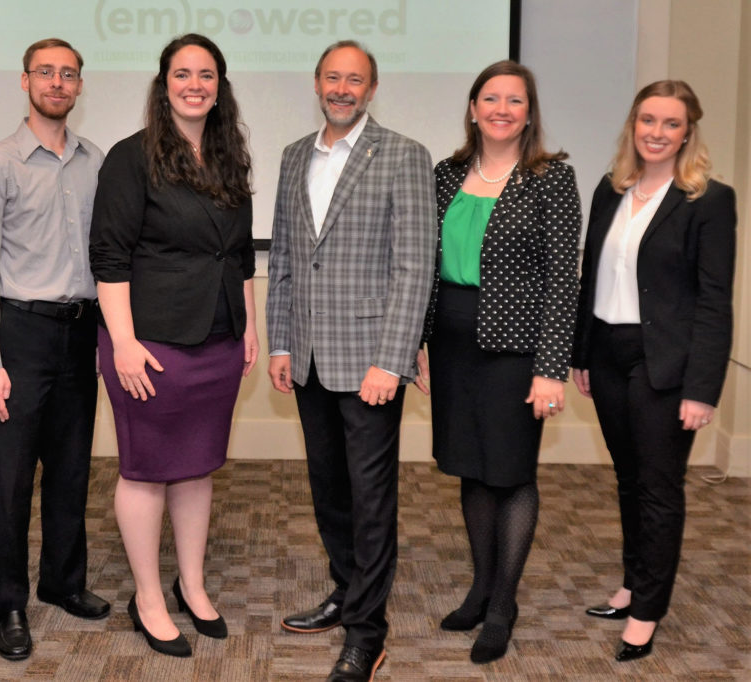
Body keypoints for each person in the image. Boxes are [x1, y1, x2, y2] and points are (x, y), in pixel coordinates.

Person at [266, 40, 436, 682]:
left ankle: (368, 632)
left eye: (355, 80)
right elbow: (283, 258)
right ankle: (346, 590)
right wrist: (280, 343)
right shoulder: (293, 157)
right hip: (307, 357)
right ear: (317, 84)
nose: (342, 88)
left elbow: (414, 266)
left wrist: (391, 360)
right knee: (329, 491)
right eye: (333, 78)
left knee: (370, 499)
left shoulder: (403, 155)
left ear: (371, 88)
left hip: (371, 363)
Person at [90, 33, 258, 659]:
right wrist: (123, 341)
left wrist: (248, 325)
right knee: (147, 470)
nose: (195, 84)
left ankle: (190, 583)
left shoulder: (228, 155)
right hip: (150, 344)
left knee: (197, 467)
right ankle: (148, 597)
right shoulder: (130, 158)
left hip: (216, 337)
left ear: (220, 86)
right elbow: (108, 256)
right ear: (164, 85)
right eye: (183, 74)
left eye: (207, 74)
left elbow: (238, 252)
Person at [416, 60, 582, 664]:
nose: (502, 109)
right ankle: (481, 587)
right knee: (469, 467)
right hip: (453, 344)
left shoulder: (550, 178)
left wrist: (551, 367)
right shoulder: (446, 174)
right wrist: (417, 339)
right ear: (472, 107)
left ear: (529, 113)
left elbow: (566, 278)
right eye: (491, 98)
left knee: (510, 472)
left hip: (519, 351)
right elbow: (426, 265)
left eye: (515, 100)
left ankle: (504, 603)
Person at [572, 80, 736, 662]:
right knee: (628, 480)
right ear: (633, 125)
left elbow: (716, 301)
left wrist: (702, 388)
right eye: (648, 120)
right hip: (609, 354)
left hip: (666, 362)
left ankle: (647, 610)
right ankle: (632, 583)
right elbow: (591, 278)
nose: (657, 132)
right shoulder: (609, 189)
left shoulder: (709, 200)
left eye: (670, 123)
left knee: (659, 489)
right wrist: (581, 353)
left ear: (688, 131)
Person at [0, 38, 108, 661]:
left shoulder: (95, 160)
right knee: (10, 475)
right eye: (45, 72)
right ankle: (8, 602)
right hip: (19, 333)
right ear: (24, 82)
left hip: (82, 330)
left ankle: (63, 582)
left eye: (67, 74)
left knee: (72, 467)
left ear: (78, 85)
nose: (57, 82)